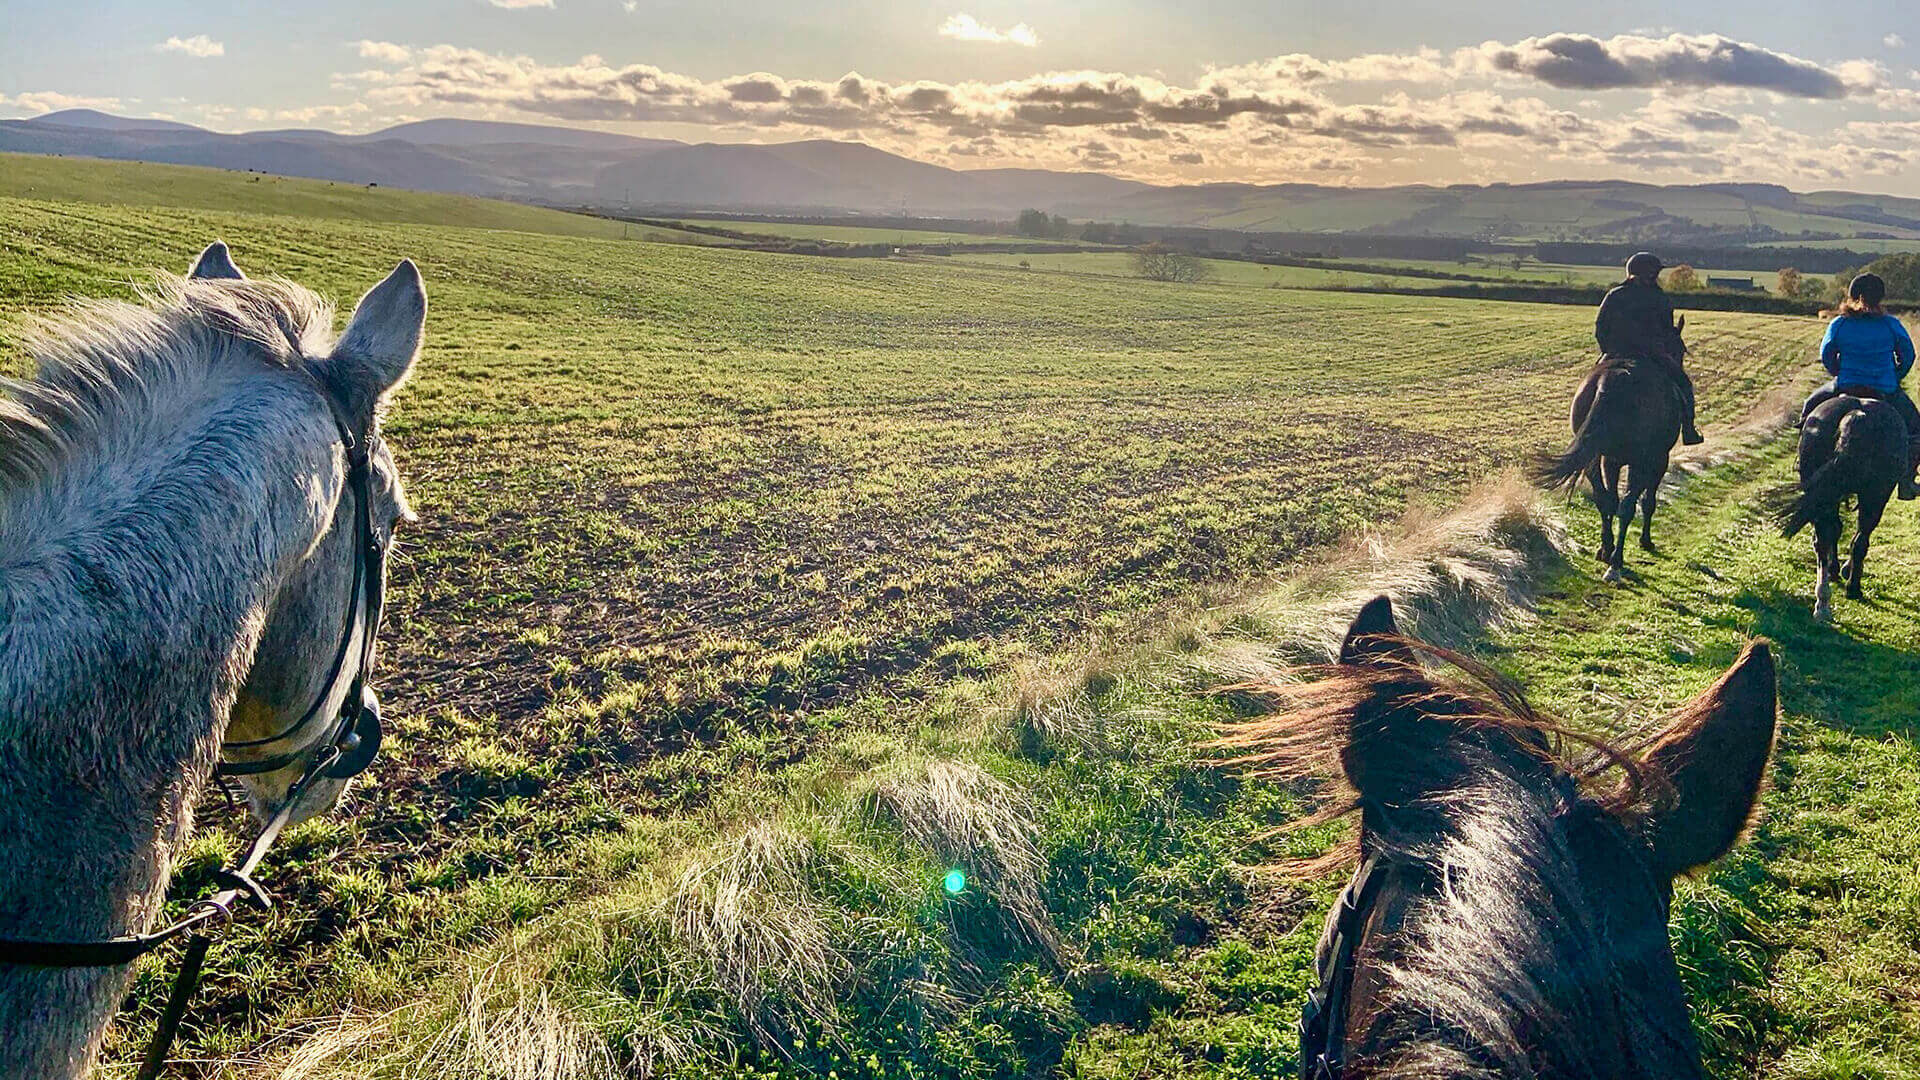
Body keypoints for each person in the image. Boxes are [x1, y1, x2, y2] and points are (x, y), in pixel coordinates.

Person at [1798, 272, 1920, 499]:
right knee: (1917, 431)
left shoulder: (1840, 323)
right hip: (1884, 388)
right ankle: (1907, 481)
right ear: (1880, 298)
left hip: (1846, 384)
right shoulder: (1891, 324)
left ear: (1851, 295)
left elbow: (1826, 354)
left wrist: (1839, 373)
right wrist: (1894, 377)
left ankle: (1803, 463)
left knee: (1808, 410)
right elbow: (1909, 355)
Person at [1596, 252, 1704, 445]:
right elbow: (1666, 333)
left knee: (1593, 381)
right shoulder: (1659, 298)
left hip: (1615, 353)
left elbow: (1600, 328)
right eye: (1654, 273)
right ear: (1649, 274)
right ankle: (1689, 431)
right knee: (1684, 384)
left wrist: (1608, 351)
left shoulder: (1614, 295)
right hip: (1652, 355)